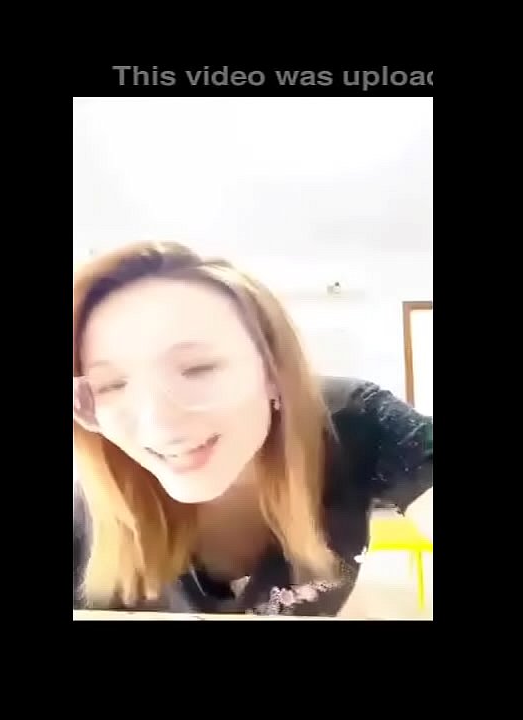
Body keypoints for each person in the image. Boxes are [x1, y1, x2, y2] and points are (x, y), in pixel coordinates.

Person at [73, 241, 433, 617]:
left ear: (274, 370)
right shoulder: (94, 511)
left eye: (198, 369)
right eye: (111, 386)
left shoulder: (353, 420)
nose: (158, 424)